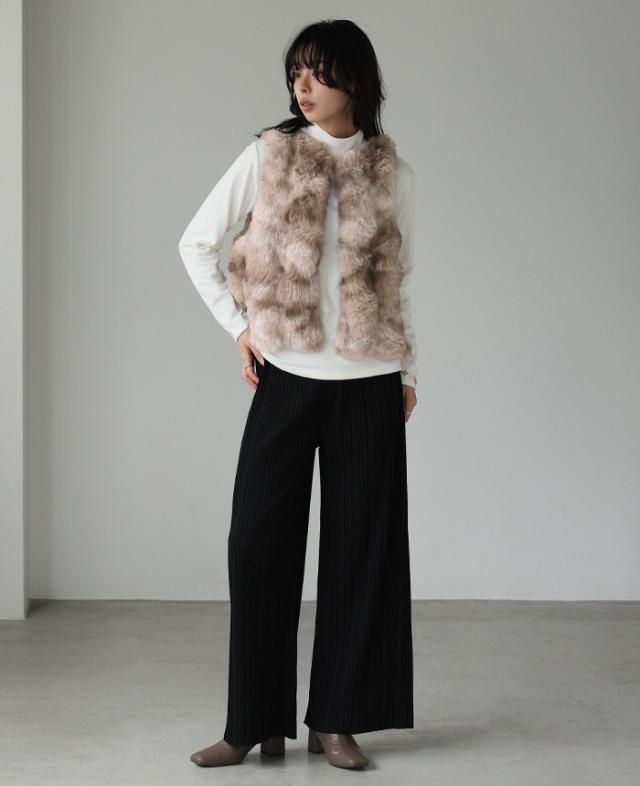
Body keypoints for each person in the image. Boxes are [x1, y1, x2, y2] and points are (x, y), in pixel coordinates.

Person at [178, 18, 417, 771]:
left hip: (370, 385)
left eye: (317, 72)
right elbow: (196, 243)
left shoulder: (393, 172)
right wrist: (239, 327)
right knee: (257, 545)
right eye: (295, 73)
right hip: (285, 377)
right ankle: (253, 722)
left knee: (361, 556)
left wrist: (409, 374)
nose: (301, 86)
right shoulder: (269, 154)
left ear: (356, 78)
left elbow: (401, 281)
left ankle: (336, 720)